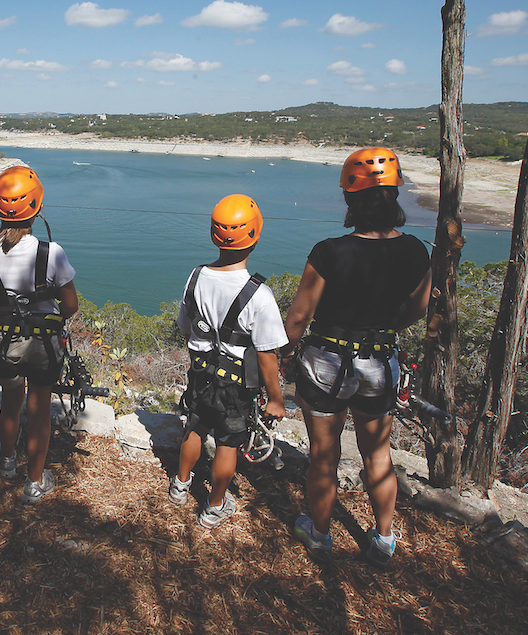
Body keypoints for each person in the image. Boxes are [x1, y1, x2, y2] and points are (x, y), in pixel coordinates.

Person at [283, 147, 432, 567]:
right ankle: (383, 539)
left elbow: (298, 317)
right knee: (378, 456)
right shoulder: (416, 251)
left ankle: (320, 534)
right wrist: (384, 331)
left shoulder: (329, 251)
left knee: (323, 456)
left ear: (350, 199)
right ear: (395, 196)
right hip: (380, 362)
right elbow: (418, 307)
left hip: (326, 361)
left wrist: (283, 355)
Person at [170, 194, 287, 528]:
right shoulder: (259, 296)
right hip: (235, 384)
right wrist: (276, 399)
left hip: (200, 374)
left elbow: (185, 325)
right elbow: (267, 356)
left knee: (196, 425)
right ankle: (214, 506)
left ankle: (180, 486)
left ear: (213, 234)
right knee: (227, 442)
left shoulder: (196, 277)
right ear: (255, 236)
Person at [0, 166, 78, 505]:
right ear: (37, 206)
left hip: (5, 343)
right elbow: (71, 305)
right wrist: (49, 316)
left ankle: (5, 460)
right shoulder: (51, 253)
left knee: (9, 402)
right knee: (38, 410)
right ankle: (34, 481)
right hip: (43, 345)